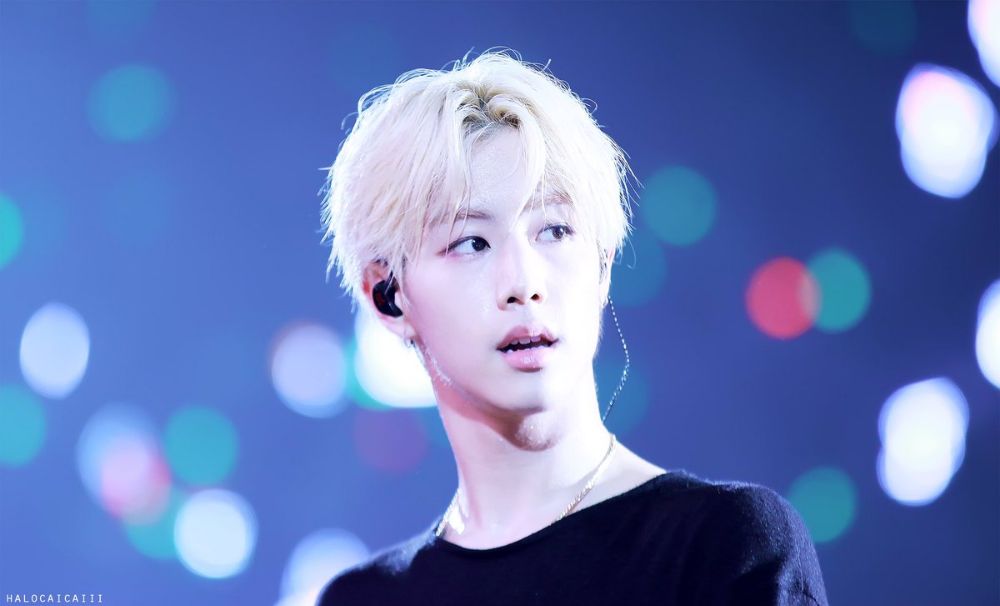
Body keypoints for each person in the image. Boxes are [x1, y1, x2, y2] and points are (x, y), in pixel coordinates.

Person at [316, 49, 829, 605]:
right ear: (388, 295)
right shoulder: (362, 598)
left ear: (603, 265)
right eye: (471, 242)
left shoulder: (722, 542)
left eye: (555, 231)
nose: (524, 283)